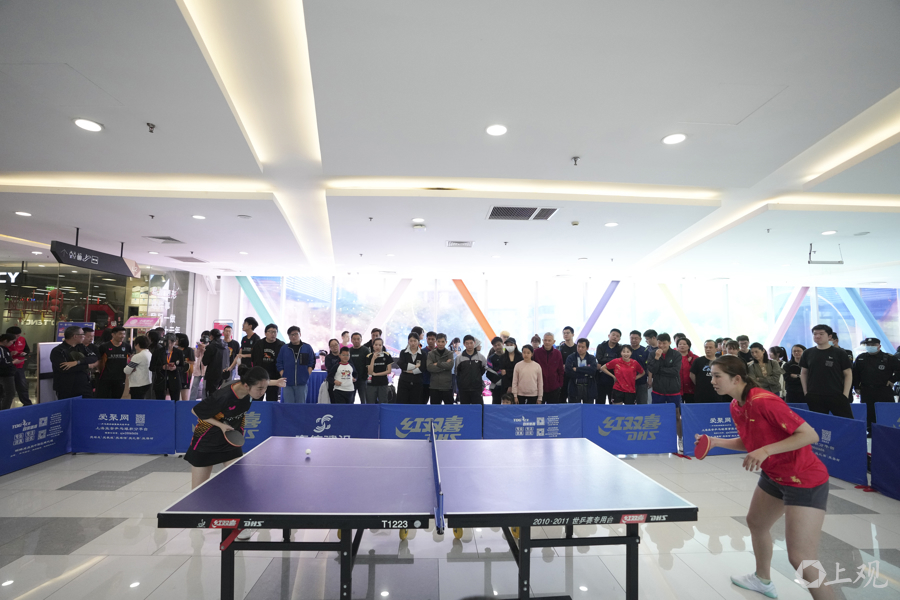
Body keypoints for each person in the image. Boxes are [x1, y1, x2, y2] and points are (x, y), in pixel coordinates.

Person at [704, 355, 832, 600]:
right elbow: (752, 442)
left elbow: (810, 435)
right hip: (774, 475)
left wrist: (765, 451)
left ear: (737, 378)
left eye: (717, 376)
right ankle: (762, 580)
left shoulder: (765, 401)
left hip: (803, 479)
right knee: (756, 523)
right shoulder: (736, 405)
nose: (712, 381)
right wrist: (716, 442)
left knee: (801, 557)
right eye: (712, 376)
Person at [185, 365, 269, 492]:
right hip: (207, 440)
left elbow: (261, 383)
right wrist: (221, 425)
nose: (263, 392)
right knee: (198, 492)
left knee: (239, 485)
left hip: (230, 440)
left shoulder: (250, 388)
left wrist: (276, 382)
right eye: (260, 389)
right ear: (247, 386)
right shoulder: (223, 396)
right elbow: (195, 411)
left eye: (265, 388)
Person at [800, 324, 853, 418]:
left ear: (829, 336)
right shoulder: (807, 353)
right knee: (818, 422)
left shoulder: (839, 352)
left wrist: (845, 394)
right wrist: (806, 392)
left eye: (821, 334)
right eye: (815, 334)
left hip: (836, 394)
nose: (817, 336)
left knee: (846, 422)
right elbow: (804, 373)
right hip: (814, 395)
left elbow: (848, 374)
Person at [852, 337, 899, 434]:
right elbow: (855, 374)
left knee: (886, 411)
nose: (870, 346)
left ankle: (888, 431)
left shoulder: (888, 358)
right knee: (869, 411)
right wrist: (856, 386)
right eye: (868, 345)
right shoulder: (861, 358)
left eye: (873, 345)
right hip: (866, 389)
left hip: (884, 389)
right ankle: (870, 430)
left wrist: (892, 380)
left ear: (879, 346)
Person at [647, 333, 684, 439]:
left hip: (673, 389)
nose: (661, 345)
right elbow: (652, 369)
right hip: (658, 389)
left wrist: (660, 370)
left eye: (664, 343)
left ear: (669, 343)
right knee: (657, 415)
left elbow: (675, 371)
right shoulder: (653, 354)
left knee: (677, 415)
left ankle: (680, 439)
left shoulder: (676, 354)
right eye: (659, 343)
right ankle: (659, 439)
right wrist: (657, 358)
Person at [50, 326, 97, 400]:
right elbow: (64, 368)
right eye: (82, 334)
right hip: (66, 388)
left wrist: (77, 362)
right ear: (75, 336)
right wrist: (87, 366)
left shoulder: (81, 347)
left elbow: (93, 358)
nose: (84, 336)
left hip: (84, 385)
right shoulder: (58, 350)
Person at [277, 326, 317, 404]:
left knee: (300, 406)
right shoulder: (284, 348)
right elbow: (279, 362)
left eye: (295, 334)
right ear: (289, 336)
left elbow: (311, 362)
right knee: (288, 406)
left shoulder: (307, 348)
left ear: (300, 334)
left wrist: (307, 374)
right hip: (287, 383)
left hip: (302, 383)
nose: (293, 336)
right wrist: (283, 374)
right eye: (291, 335)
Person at [94, 326, 132, 399]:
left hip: (120, 378)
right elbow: (99, 361)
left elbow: (129, 358)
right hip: (105, 378)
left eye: (124, 334)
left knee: (117, 398)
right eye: (120, 334)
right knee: (104, 398)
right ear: (113, 334)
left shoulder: (127, 346)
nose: (122, 336)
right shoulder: (104, 346)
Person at [251, 324, 285, 402]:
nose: (273, 334)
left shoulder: (281, 345)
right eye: (270, 332)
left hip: (274, 377)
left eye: (275, 332)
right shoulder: (258, 344)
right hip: (260, 377)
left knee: (272, 400)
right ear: (265, 333)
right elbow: (253, 359)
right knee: (257, 399)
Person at [533, 332, 564, 404]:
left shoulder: (558, 353)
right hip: (539, 388)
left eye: (549, 340)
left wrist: (560, 384)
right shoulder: (536, 352)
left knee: (553, 409)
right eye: (545, 340)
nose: (547, 342)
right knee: (539, 409)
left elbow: (560, 370)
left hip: (554, 387)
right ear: (542, 341)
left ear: (554, 341)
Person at [455, 335, 486, 405]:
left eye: (471, 343)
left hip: (477, 389)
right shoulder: (459, 358)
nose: (469, 345)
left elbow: (483, 370)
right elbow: (457, 373)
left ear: (474, 343)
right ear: (464, 344)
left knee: (478, 409)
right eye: (467, 343)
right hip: (464, 389)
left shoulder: (481, 357)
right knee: (465, 409)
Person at [151, 333, 184, 400]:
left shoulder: (179, 352)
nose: (169, 345)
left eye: (171, 342)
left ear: (175, 342)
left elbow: (183, 367)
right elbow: (151, 367)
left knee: (175, 401)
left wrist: (175, 368)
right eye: (167, 342)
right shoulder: (157, 352)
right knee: (160, 402)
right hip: (160, 380)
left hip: (174, 380)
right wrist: (162, 367)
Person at [595, 328, 623, 404]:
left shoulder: (620, 348)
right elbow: (599, 359)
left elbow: (619, 361)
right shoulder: (601, 346)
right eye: (613, 335)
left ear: (619, 339)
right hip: (601, 378)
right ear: (609, 335)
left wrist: (605, 363)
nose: (615, 337)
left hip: (614, 379)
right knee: (600, 401)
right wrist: (613, 362)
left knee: (613, 401)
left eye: (617, 336)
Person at [565, 338, 597, 403]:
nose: (580, 349)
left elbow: (593, 370)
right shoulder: (571, 357)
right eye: (578, 346)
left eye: (582, 347)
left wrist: (577, 369)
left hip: (588, 387)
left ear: (587, 348)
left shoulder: (591, 358)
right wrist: (586, 372)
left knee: (588, 407)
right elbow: (568, 371)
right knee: (574, 407)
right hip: (574, 386)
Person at [5, 326, 31, 406]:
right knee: (8, 389)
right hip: (7, 367)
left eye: (18, 335)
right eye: (15, 335)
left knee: (22, 386)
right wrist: (10, 354)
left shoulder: (22, 339)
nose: (17, 337)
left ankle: (27, 404)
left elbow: (27, 350)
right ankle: (5, 407)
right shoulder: (5, 341)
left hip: (19, 365)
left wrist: (24, 353)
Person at [397, 333, 425, 404]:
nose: (413, 343)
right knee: (402, 402)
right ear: (408, 341)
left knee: (416, 403)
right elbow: (402, 365)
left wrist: (411, 371)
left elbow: (423, 367)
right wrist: (415, 366)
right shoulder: (403, 352)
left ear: (418, 341)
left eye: (415, 341)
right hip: (404, 382)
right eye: (411, 341)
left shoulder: (423, 353)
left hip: (417, 382)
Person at [427, 333, 455, 404]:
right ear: (436, 342)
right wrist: (445, 366)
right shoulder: (431, 354)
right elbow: (429, 367)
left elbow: (450, 366)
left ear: (446, 342)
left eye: (442, 342)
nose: (440, 344)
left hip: (447, 386)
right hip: (434, 386)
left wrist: (437, 364)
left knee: (449, 409)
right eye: (438, 341)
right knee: (435, 409)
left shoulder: (450, 353)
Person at [365, 338, 394, 404]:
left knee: (383, 402)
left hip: (383, 383)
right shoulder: (369, 356)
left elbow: (389, 371)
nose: (378, 347)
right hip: (371, 383)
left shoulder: (387, 355)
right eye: (376, 345)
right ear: (373, 346)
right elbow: (370, 372)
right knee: (370, 402)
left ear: (382, 346)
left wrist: (376, 374)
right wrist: (373, 359)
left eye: (380, 345)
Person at [201, 329, 228, 396]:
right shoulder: (225, 346)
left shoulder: (210, 347)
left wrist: (205, 352)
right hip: (223, 373)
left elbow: (205, 362)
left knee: (210, 394)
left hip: (212, 374)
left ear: (211, 336)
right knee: (219, 393)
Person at [628, 330, 650, 404]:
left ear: (640, 339)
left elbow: (648, 366)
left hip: (642, 382)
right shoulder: (625, 350)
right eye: (632, 338)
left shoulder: (645, 351)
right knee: (629, 404)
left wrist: (649, 379)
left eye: (636, 338)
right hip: (627, 382)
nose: (634, 340)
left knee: (642, 403)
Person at [558, 326, 578, 403]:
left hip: (575, 376)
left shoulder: (577, 348)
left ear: (573, 334)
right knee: (562, 398)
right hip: (564, 377)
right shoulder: (560, 348)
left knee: (574, 399)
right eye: (564, 333)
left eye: (568, 333)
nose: (565, 335)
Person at [347, 333, 369, 403]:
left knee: (364, 400)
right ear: (351, 340)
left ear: (361, 340)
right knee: (350, 400)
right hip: (351, 379)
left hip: (363, 379)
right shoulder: (349, 351)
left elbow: (368, 364)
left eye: (358, 339)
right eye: (354, 339)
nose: (356, 341)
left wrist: (366, 376)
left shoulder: (366, 350)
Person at [485, 336, 506, 404]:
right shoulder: (491, 358)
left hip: (507, 386)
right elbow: (489, 372)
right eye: (495, 346)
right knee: (496, 405)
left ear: (502, 344)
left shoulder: (508, 356)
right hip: (496, 386)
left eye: (499, 345)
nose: (497, 347)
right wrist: (498, 381)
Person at [0, 334, 19, 410]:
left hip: (6, 374)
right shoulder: (1, 349)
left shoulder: (4, 349)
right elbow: (3, 363)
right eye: (12, 341)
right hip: (5, 375)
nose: (12, 343)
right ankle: (4, 411)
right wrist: (14, 362)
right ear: (5, 340)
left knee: (4, 393)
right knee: (10, 393)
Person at [190, 331, 209, 401]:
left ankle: (204, 401)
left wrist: (204, 348)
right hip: (198, 367)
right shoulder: (200, 345)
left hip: (206, 368)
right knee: (194, 386)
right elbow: (197, 355)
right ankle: (191, 401)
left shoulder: (211, 345)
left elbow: (208, 354)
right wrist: (198, 348)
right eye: (202, 337)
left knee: (205, 387)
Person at [677, 338, 698, 403]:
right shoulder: (673, 358)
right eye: (680, 344)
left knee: (691, 407)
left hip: (691, 388)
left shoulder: (695, 358)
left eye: (684, 344)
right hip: (677, 388)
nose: (682, 346)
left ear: (689, 346)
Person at [643, 329, 660, 405]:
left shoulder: (661, 349)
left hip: (659, 377)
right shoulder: (647, 349)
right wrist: (649, 379)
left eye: (647, 339)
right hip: (648, 376)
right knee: (649, 399)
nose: (646, 341)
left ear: (653, 338)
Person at [420, 331, 437, 400]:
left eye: (432, 339)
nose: (430, 341)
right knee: (423, 402)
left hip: (436, 382)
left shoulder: (439, 351)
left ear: (436, 340)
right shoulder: (422, 352)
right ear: (426, 339)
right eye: (429, 339)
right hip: (424, 381)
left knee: (435, 403)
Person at [176, 334, 194, 401]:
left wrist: (184, 362)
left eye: (176, 339)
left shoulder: (189, 350)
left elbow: (192, 362)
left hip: (185, 374)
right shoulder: (174, 349)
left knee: (185, 397)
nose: (175, 340)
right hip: (176, 373)